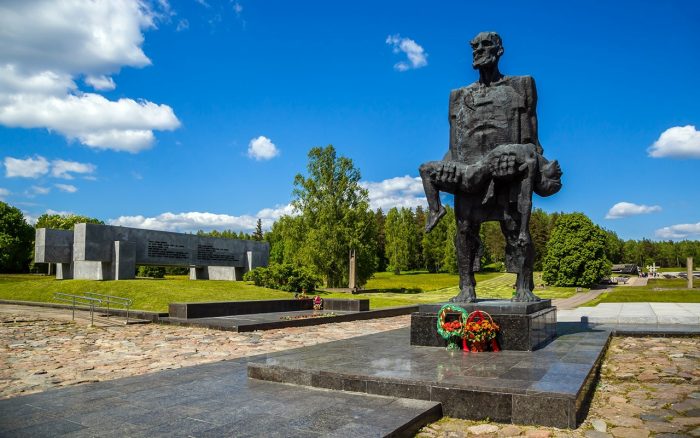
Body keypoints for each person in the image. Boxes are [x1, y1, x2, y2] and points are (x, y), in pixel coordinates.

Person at [419, 32, 562, 302]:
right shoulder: (458, 96)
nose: (478, 50)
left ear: (499, 51)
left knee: (514, 227)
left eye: (485, 45)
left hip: (508, 173)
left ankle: (523, 286)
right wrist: (448, 166)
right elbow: (453, 145)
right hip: (469, 172)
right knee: (464, 229)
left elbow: (532, 141)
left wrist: (524, 162)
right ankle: (466, 286)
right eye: (475, 47)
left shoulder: (521, 85)